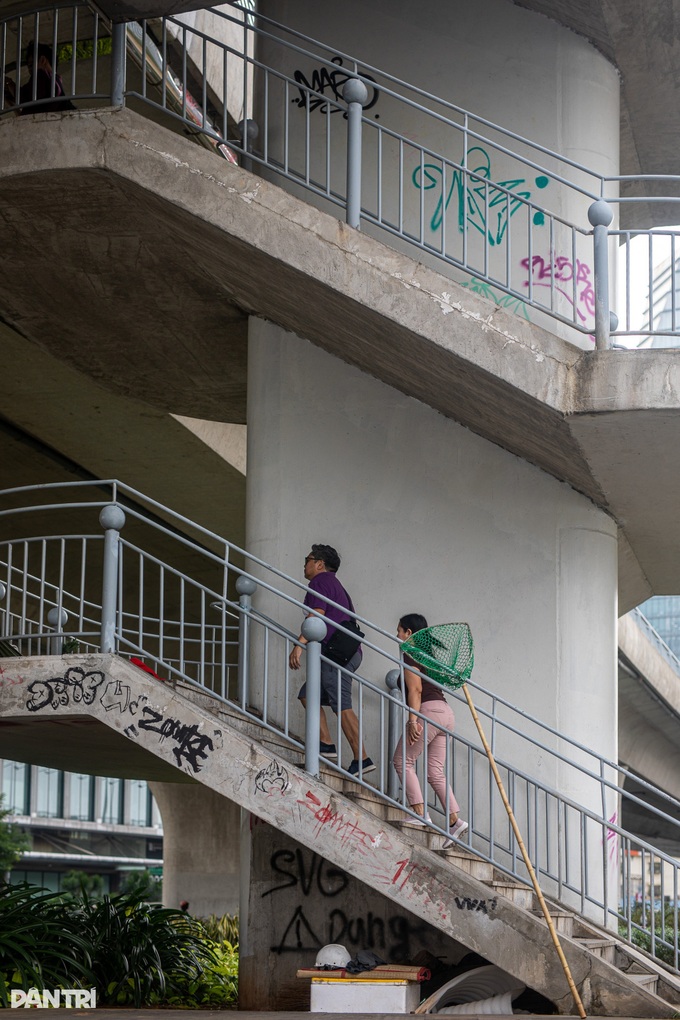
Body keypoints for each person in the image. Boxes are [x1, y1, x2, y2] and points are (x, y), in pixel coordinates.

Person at [289, 544, 374, 777]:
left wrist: (299, 644)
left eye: (307, 559)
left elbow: (317, 614)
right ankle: (326, 745)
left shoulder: (320, 581)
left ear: (319, 564)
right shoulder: (334, 584)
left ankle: (362, 759)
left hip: (338, 655)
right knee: (308, 694)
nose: (304, 564)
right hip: (343, 652)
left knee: (342, 704)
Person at [392, 613, 467, 849]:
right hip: (446, 714)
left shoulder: (410, 652)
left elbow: (415, 690)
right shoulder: (428, 656)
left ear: (409, 633)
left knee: (402, 760)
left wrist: (412, 721)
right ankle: (455, 822)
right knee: (435, 772)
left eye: (399, 630)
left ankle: (419, 814)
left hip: (429, 712)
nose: (397, 635)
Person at [4, 41, 75, 115]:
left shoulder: (42, 75)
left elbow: (25, 97)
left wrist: (9, 83)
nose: (30, 70)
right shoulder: (55, 80)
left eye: (31, 65)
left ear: (43, 60)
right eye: (29, 66)